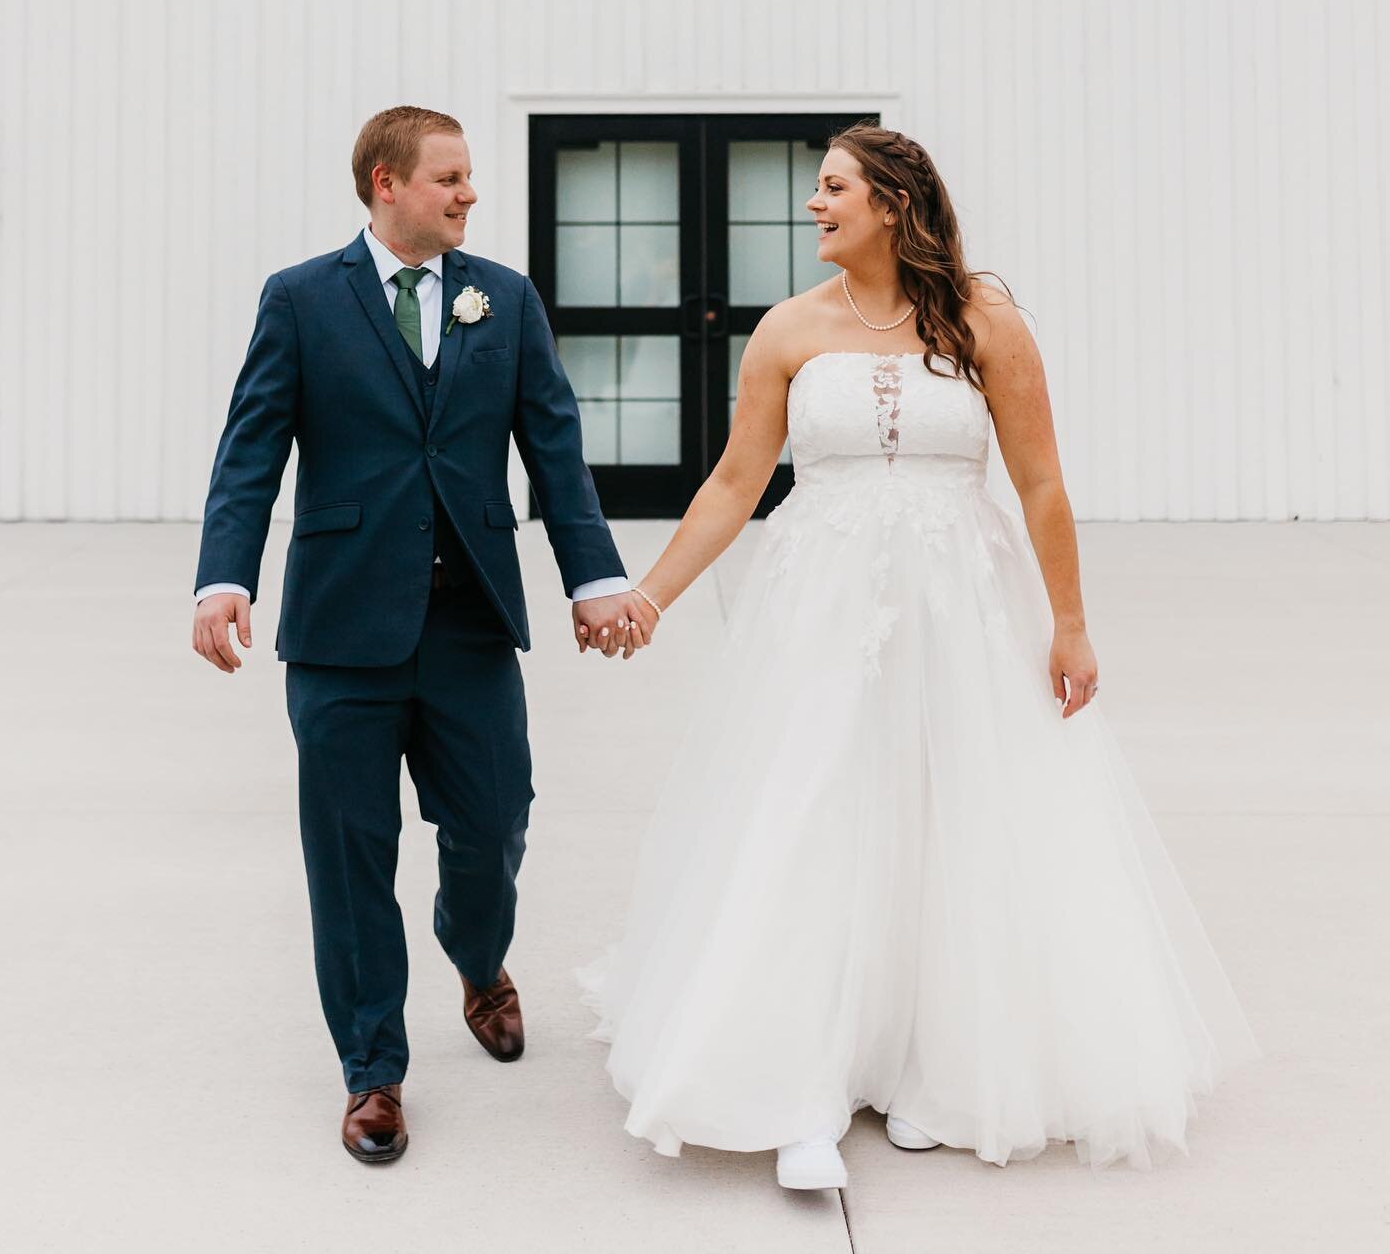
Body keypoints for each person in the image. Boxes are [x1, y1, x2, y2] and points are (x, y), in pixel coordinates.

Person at [581, 120, 1259, 1190]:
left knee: (960, 814)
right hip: (821, 609)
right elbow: (733, 481)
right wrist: (652, 597)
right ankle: (796, 1084)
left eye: (834, 187)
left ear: (893, 204)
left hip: (963, 606)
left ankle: (938, 1070)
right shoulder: (788, 331)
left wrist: (1070, 624)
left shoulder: (986, 320)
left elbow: (1040, 483)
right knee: (814, 809)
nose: (814, 204)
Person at [191, 105, 657, 1164]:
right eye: (449, 178)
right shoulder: (303, 300)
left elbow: (555, 446)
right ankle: (373, 1073)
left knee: (493, 825)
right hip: (341, 628)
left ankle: (476, 954)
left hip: (469, 624)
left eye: (470, 178)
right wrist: (224, 577)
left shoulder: (508, 299)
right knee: (350, 855)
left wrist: (594, 577)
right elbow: (251, 447)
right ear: (385, 183)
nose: (470, 195)